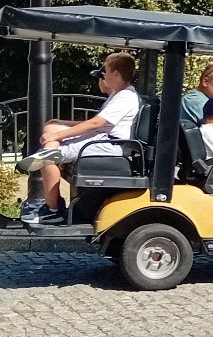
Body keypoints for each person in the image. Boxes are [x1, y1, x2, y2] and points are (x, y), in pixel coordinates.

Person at [17, 52, 139, 224]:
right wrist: (60, 124)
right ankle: (49, 195)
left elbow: (95, 124)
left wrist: (57, 135)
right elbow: (95, 124)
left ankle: (53, 210)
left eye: (106, 71)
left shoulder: (125, 97)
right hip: (103, 138)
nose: (103, 75)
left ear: (116, 74)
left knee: (48, 154)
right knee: (51, 129)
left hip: (111, 144)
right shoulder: (119, 95)